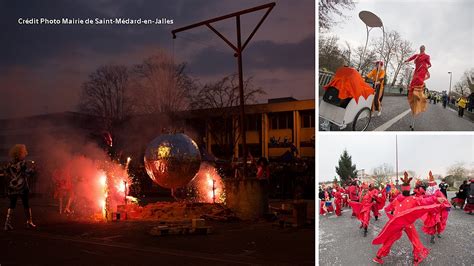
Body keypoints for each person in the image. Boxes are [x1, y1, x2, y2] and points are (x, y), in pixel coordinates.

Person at [372, 172, 446, 265]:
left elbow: (387, 209)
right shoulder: (413, 199)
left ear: (402, 190)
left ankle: (378, 256)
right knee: (415, 240)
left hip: (397, 223)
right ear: (409, 189)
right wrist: (436, 199)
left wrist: (392, 217)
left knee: (390, 240)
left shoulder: (396, 199)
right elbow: (425, 200)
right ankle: (416, 258)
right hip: (407, 224)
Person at [3, 144, 36, 230]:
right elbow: (26, 173)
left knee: (12, 204)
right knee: (26, 204)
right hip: (22, 187)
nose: (25, 154)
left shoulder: (10, 164)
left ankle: (7, 224)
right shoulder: (23, 163)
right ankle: (29, 222)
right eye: (24, 153)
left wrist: (13, 179)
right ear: (20, 154)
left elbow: (6, 173)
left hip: (13, 187)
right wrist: (33, 170)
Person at [404, 45, 431, 130]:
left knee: (418, 81)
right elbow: (412, 57)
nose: (422, 49)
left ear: (424, 49)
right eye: (421, 48)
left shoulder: (427, 56)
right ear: (420, 49)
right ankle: (414, 97)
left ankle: (420, 95)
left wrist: (425, 68)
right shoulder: (417, 55)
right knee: (413, 84)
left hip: (422, 71)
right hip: (416, 71)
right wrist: (407, 60)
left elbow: (428, 64)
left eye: (423, 48)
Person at [421, 171, 451, 244]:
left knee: (435, 223)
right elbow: (443, 199)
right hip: (434, 210)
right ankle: (435, 234)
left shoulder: (431, 191)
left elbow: (443, 199)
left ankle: (435, 234)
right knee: (436, 223)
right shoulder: (436, 192)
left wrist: (446, 204)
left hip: (435, 210)